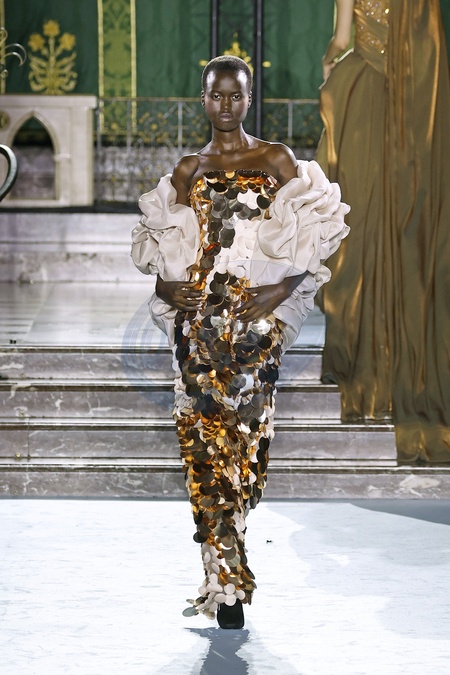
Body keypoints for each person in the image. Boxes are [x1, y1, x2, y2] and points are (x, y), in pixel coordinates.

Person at [131, 55, 349, 629]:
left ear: (249, 99)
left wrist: (281, 291)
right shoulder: (189, 169)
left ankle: (229, 558)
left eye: (236, 95)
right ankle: (225, 582)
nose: (226, 104)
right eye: (216, 95)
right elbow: (165, 248)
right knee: (203, 445)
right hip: (199, 325)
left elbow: (314, 236)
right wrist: (165, 287)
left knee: (248, 445)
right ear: (203, 100)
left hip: (256, 324)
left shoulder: (276, 159)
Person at [316, 0, 450, 464]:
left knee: (359, 219)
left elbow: (340, 40)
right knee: (409, 225)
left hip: (364, 95)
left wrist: (329, 63)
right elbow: (431, 54)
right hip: (415, 106)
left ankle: (364, 362)